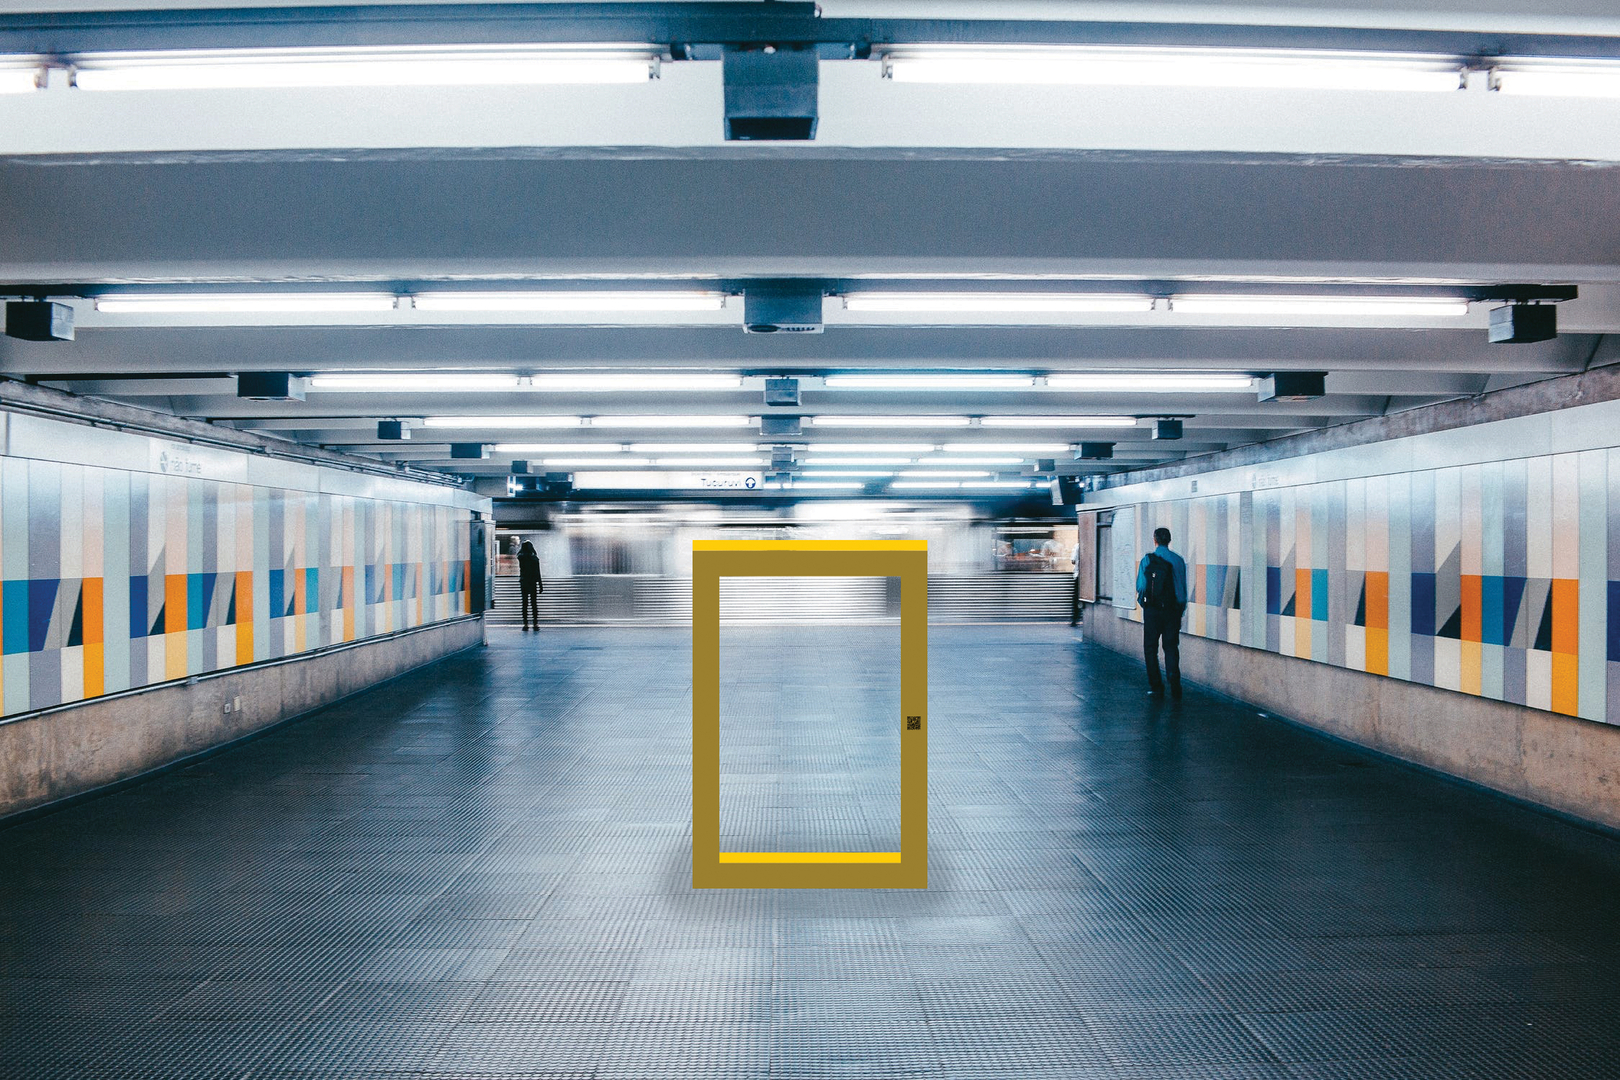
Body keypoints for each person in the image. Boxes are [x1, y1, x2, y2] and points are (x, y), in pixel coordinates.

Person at [1136, 526, 1188, 699]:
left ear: (1155, 540)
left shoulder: (1147, 560)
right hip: (1172, 610)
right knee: (1171, 646)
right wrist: (1180, 610)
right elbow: (1181, 590)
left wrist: (1145, 605)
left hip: (1152, 610)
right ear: (1169, 540)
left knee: (1150, 648)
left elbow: (1141, 587)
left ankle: (1156, 686)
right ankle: (1175, 684)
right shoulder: (1178, 560)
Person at [517, 539, 543, 631]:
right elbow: (538, 573)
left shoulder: (521, 558)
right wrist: (540, 585)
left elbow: (519, 555)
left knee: (524, 603)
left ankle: (525, 624)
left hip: (524, 582)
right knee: (534, 603)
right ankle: (535, 624)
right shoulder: (534, 559)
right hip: (532, 582)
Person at [1069, 538, 1083, 627]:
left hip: (1078, 575)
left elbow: (1073, 561)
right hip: (1089, 577)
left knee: (1076, 598)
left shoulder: (1077, 546)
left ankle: (1074, 619)